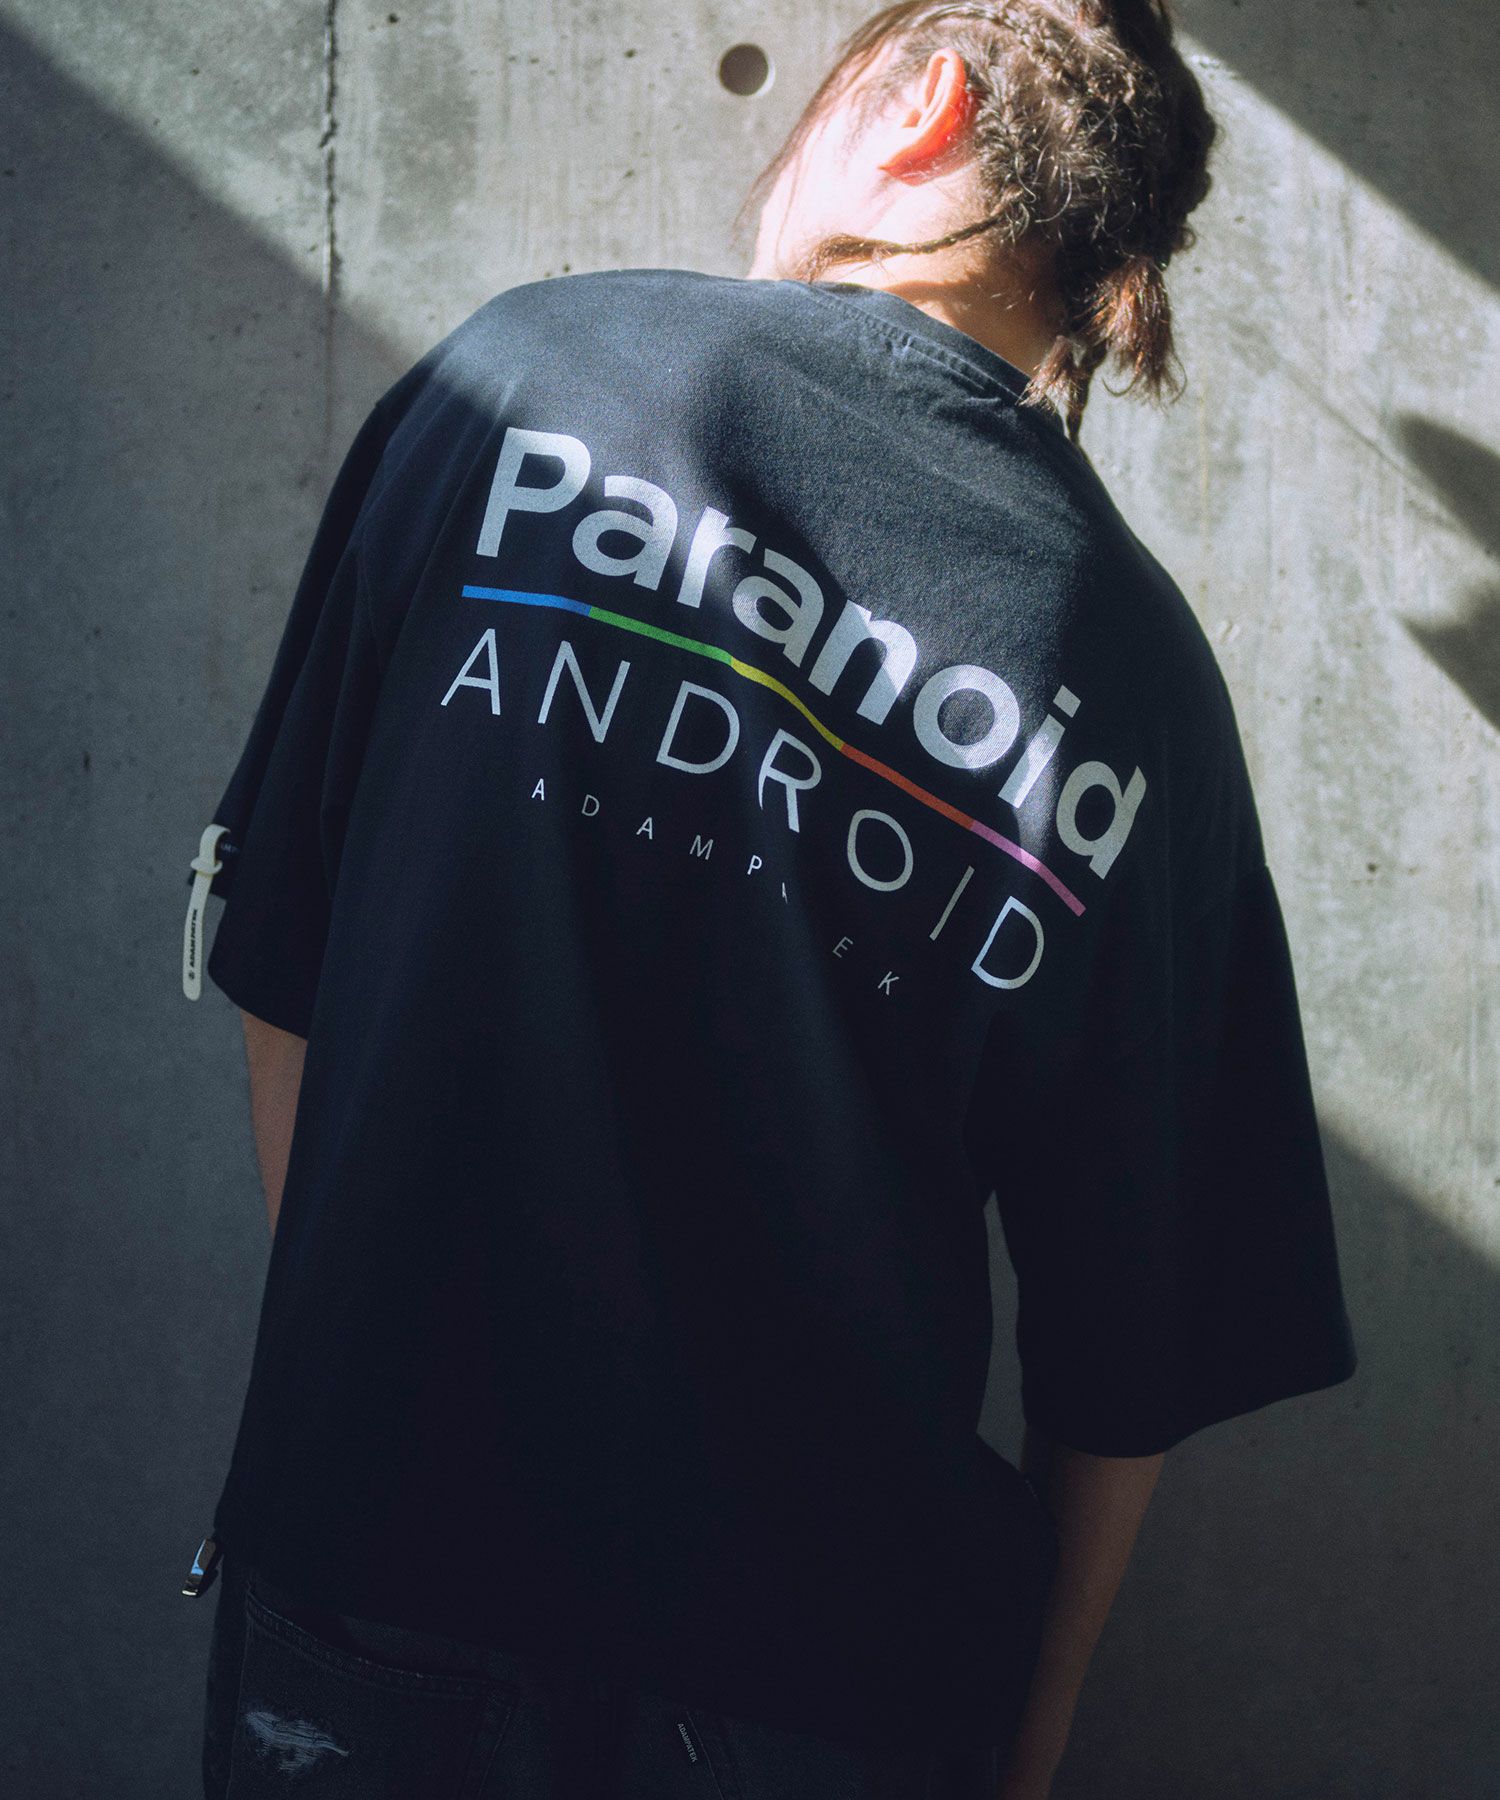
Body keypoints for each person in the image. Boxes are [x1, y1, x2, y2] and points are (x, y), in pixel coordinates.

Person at [181, 2, 1359, 1795]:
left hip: (379, 1584)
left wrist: (381, 1394)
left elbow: (291, 963)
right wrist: (1027, 1739)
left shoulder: (528, 378)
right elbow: (1132, 1339)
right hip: (828, 1681)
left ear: (921, 98)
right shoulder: (1134, 670)